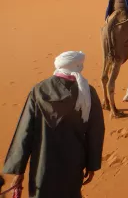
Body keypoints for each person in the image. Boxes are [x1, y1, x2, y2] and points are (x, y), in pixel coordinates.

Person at [2, 51, 105, 198]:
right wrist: (92, 164)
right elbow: (95, 131)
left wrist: (19, 171)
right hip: (73, 162)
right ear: (77, 66)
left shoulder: (39, 89)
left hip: (42, 163)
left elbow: (25, 131)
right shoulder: (87, 93)